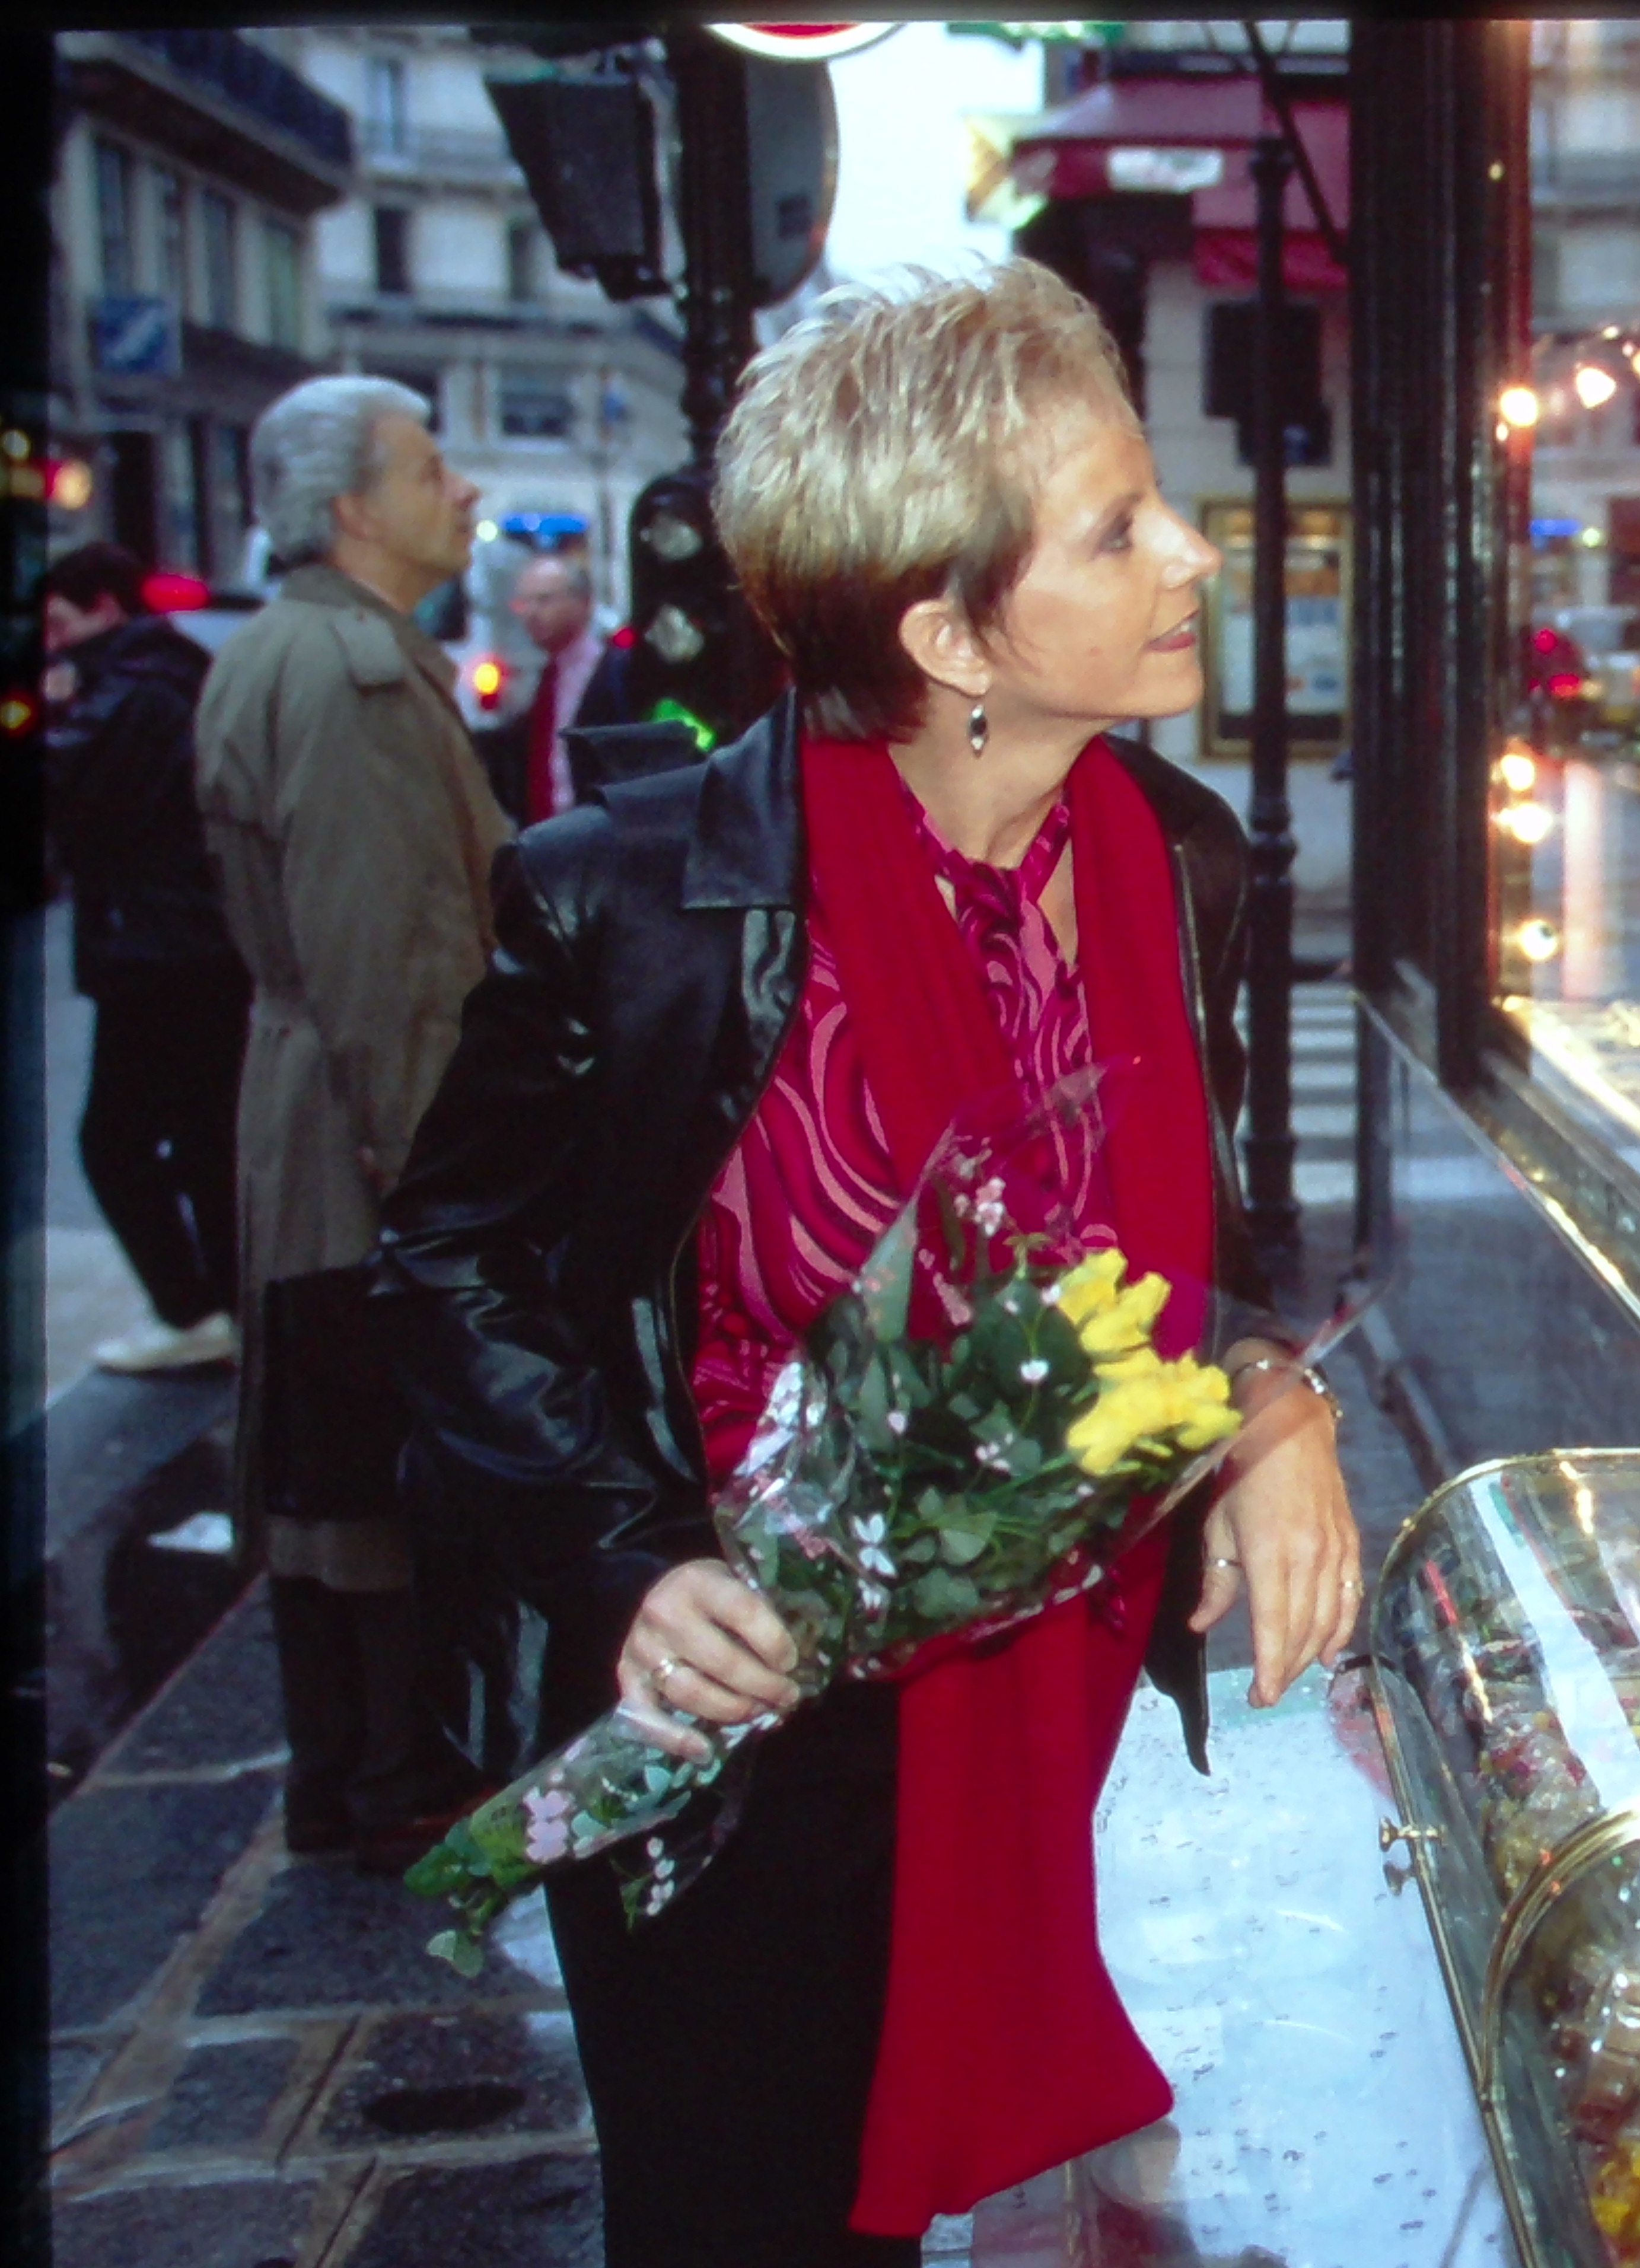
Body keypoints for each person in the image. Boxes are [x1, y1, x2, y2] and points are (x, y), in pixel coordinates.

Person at [370, 262, 1360, 2266]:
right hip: (736, 1734)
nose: (1186, 553)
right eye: (1112, 527)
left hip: (1037, 1690)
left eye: (1153, 498)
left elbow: (1204, 1238)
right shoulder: (633, 899)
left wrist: (1272, 1398)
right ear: (946, 631)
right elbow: (445, 1264)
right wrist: (630, 1553)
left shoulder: (1178, 861)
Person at [194, 375, 512, 1865]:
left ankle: (354, 1769)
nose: (461, 493)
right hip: (358, 1133)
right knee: (371, 1455)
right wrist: (448, 1197)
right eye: (430, 467)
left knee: (328, 1454)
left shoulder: (301, 652)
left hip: (306, 1116)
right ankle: (387, 1772)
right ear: (349, 512)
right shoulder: (351, 679)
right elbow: (396, 967)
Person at [38, 541, 250, 1374]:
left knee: (116, 1139)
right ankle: (224, 1302)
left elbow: (73, 795)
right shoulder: (167, 677)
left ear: (103, 610)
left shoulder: (133, 694)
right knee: (201, 1135)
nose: (51, 643)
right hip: (186, 943)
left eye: (60, 623)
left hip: (158, 947)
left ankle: (192, 1304)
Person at [476, 552, 635, 826]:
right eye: (524, 603)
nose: (531, 613)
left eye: (544, 600)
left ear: (583, 603)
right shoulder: (545, 679)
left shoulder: (615, 671)